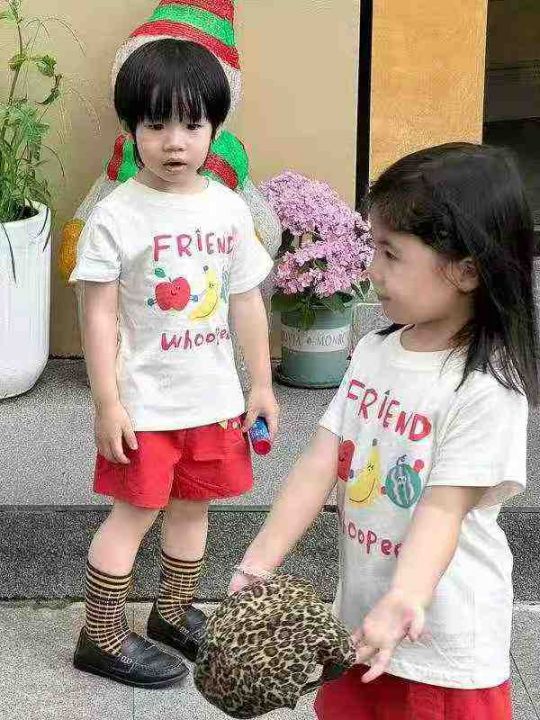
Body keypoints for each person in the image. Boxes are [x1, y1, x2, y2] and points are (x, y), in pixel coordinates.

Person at [230, 143, 537, 719]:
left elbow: (443, 510)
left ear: (467, 269)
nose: (372, 270)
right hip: (363, 628)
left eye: (391, 253)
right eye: (374, 247)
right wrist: (258, 563)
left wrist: (404, 598)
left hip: (439, 650)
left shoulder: (485, 389)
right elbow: (320, 463)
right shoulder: (374, 351)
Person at [70, 38, 278, 689]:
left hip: (212, 400)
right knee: (133, 514)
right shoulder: (115, 216)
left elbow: (246, 300)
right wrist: (107, 403)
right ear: (131, 128)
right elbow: (97, 315)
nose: (175, 142)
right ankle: (100, 635)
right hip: (145, 407)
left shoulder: (227, 208)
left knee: (194, 508)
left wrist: (261, 384)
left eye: (192, 124)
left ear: (215, 128)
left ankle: (171, 611)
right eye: (156, 124)